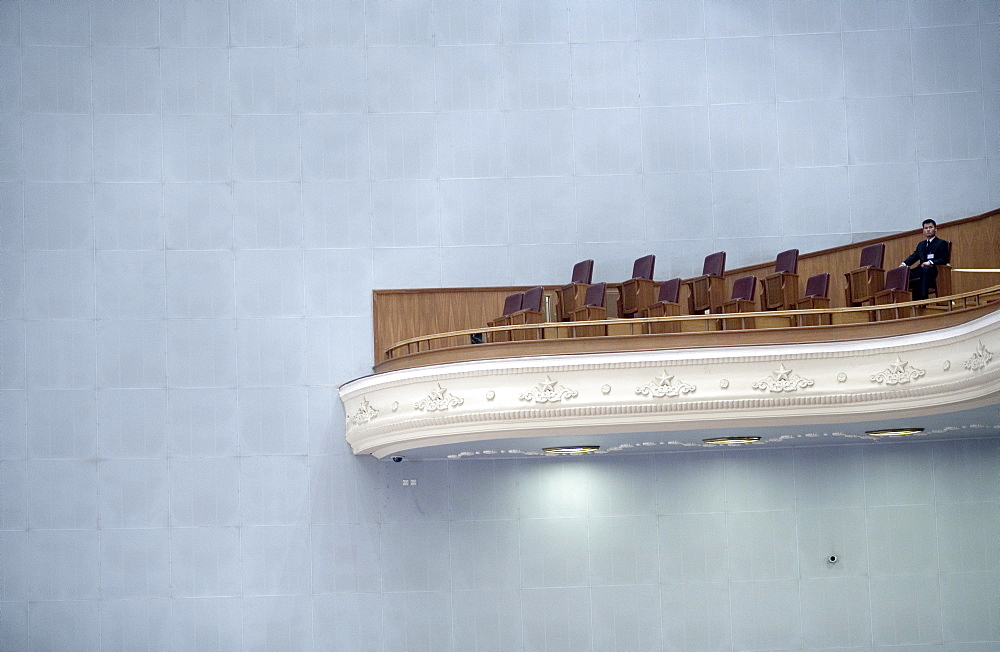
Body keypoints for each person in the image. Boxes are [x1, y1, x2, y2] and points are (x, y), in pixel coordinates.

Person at [899, 219, 949, 300]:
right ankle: (904, 301)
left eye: (930, 227)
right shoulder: (921, 245)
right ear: (923, 231)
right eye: (926, 228)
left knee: (925, 270)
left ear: (935, 229)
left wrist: (930, 262)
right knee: (905, 273)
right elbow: (914, 256)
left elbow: (943, 259)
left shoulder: (941, 243)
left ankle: (923, 299)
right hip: (921, 270)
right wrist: (904, 264)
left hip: (934, 270)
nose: (928, 230)